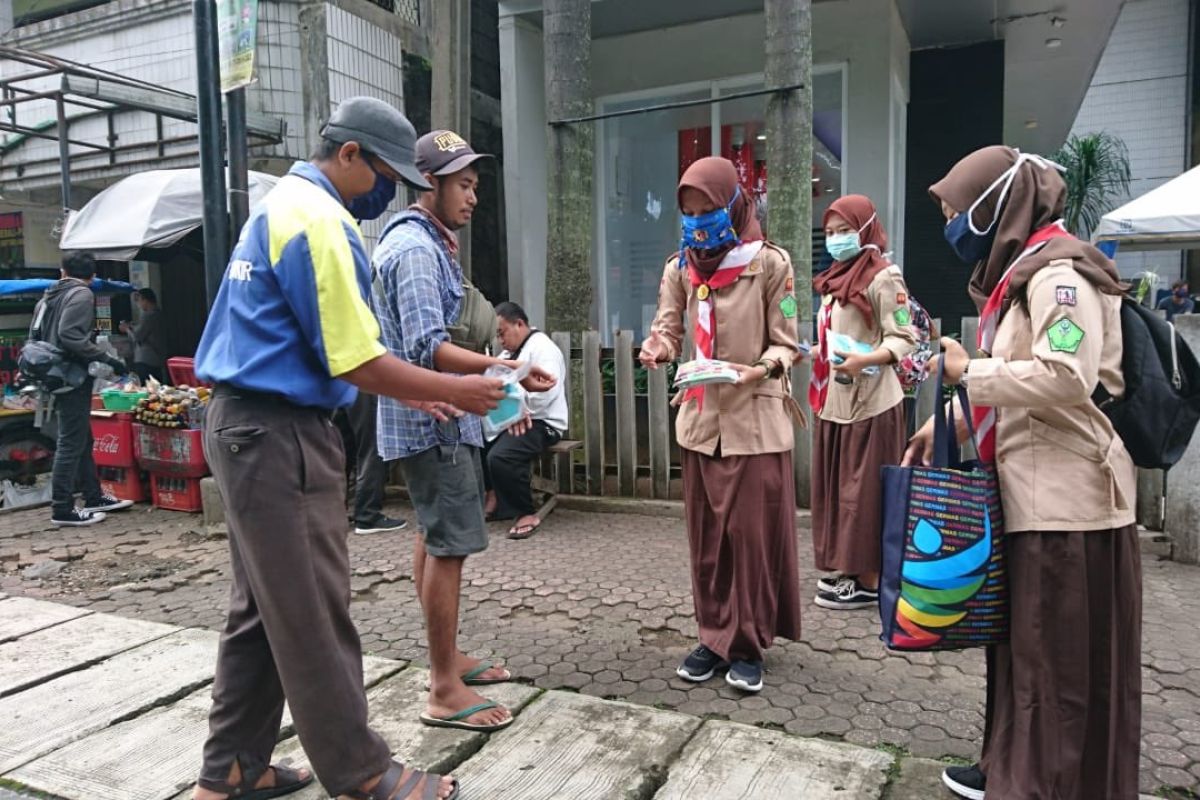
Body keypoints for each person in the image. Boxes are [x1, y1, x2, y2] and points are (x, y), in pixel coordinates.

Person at [191, 97, 506, 800]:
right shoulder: (323, 222)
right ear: (350, 156)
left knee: (262, 611)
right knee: (311, 611)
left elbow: (317, 346)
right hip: (279, 436)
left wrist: (416, 391)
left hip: (243, 423)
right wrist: (456, 391)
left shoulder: (281, 205)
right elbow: (354, 360)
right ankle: (361, 772)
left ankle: (233, 767)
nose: (392, 191)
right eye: (387, 174)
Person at [908, 145, 1140, 800]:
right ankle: (1011, 763)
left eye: (957, 209)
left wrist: (965, 374)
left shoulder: (1058, 276)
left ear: (993, 208)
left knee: (1057, 665)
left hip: (1071, 507)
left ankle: (1045, 782)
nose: (951, 222)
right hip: (1031, 497)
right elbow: (1015, 388)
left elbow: (1066, 376)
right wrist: (948, 422)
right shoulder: (1020, 276)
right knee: (1023, 653)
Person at [373, 129, 556, 734]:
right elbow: (430, 347)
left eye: (475, 185)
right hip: (439, 419)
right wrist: (497, 369)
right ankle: (444, 689)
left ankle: (446, 663)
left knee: (433, 537)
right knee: (449, 546)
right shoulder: (419, 252)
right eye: (464, 185)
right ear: (430, 183)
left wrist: (502, 376)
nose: (473, 197)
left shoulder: (423, 242)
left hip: (435, 416)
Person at [639, 156, 804, 694]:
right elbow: (667, 327)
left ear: (733, 203)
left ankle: (748, 643)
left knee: (749, 540)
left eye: (707, 209)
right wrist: (657, 348)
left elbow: (787, 344)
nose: (697, 221)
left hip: (754, 422)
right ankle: (713, 638)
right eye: (688, 212)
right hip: (700, 422)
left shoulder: (770, 264)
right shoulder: (679, 267)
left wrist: (754, 370)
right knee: (708, 543)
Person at [808, 195, 917, 610]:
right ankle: (849, 571)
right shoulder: (835, 278)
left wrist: (867, 359)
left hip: (871, 404)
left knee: (865, 494)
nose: (836, 239)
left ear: (867, 228)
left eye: (844, 231)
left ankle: (870, 581)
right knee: (841, 492)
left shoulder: (883, 277)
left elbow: (904, 338)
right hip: (836, 401)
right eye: (831, 232)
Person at [34, 252, 134, 527]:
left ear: (62, 271)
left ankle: (93, 496)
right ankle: (62, 508)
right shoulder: (81, 294)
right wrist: (106, 358)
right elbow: (70, 336)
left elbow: (39, 335)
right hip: (70, 377)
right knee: (70, 442)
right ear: (92, 275)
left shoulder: (50, 295)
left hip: (55, 374)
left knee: (81, 438)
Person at [483, 301, 567, 539]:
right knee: (476, 439)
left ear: (519, 324)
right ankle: (494, 495)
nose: (501, 340)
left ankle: (525, 512)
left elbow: (544, 396)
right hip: (514, 416)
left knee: (502, 456)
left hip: (544, 422)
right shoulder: (509, 353)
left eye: (502, 333)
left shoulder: (544, 349)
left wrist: (515, 410)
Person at [339, 390, 408, 535]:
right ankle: (367, 516)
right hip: (365, 385)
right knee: (372, 447)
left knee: (344, 448)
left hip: (344, 381)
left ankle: (335, 512)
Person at [119, 287, 166, 383]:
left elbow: (137, 337)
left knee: (146, 388)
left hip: (146, 359)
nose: (138, 304)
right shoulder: (159, 314)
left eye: (139, 300)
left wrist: (127, 329)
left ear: (145, 300)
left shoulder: (148, 315)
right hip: (157, 358)